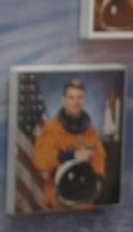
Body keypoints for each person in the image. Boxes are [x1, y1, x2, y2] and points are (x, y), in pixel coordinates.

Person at [31, 79, 106, 210]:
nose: (75, 102)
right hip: (58, 197)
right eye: (71, 97)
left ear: (83, 100)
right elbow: (40, 160)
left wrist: (98, 177)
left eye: (79, 97)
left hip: (85, 194)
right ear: (63, 100)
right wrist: (71, 155)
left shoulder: (90, 130)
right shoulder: (51, 128)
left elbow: (99, 157)